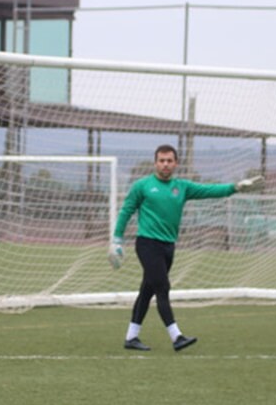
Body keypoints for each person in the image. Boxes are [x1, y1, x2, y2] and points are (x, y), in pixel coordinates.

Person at [109, 144, 262, 351]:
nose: (165, 164)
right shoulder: (142, 186)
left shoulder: (182, 187)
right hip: (147, 244)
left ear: (175, 163)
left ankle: (131, 337)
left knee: (147, 291)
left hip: (168, 246)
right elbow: (126, 211)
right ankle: (176, 336)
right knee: (162, 288)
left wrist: (235, 187)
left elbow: (210, 190)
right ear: (155, 163)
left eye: (169, 160)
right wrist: (117, 239)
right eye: (161, 160)